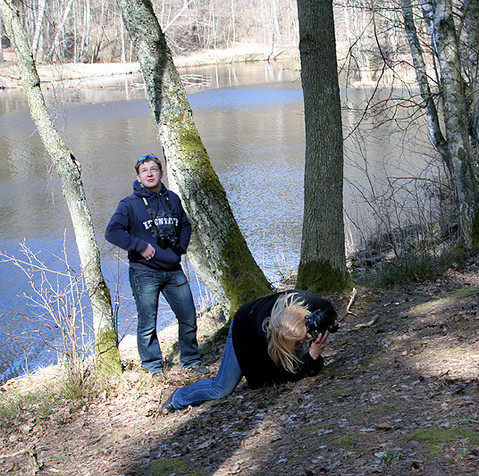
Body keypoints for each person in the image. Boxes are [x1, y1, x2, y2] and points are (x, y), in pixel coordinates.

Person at [105, 154, 206, 376]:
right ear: (138, 178)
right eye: (144, 171)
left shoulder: (173, 198)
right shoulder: (129, 205)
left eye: (153, 169)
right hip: (144, 273)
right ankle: (153, 366)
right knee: (148, 322)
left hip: (173, 271)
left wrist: (180, 248)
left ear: (162, 173)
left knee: (188, 316)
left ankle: (190, 360)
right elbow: (112, 232)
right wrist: (138, 245)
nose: (150, 174)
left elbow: (186, 225)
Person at [161, 290, 337, 412]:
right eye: (300, 341)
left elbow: (326, 307)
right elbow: (274, 377)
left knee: (301, 362)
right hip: (244, 329)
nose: (306, 339)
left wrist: (331, 322)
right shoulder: (260, 340)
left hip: (275, 327)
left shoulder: (301, 299)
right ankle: (178, 398)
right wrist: (312, 355)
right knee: (221, 388)